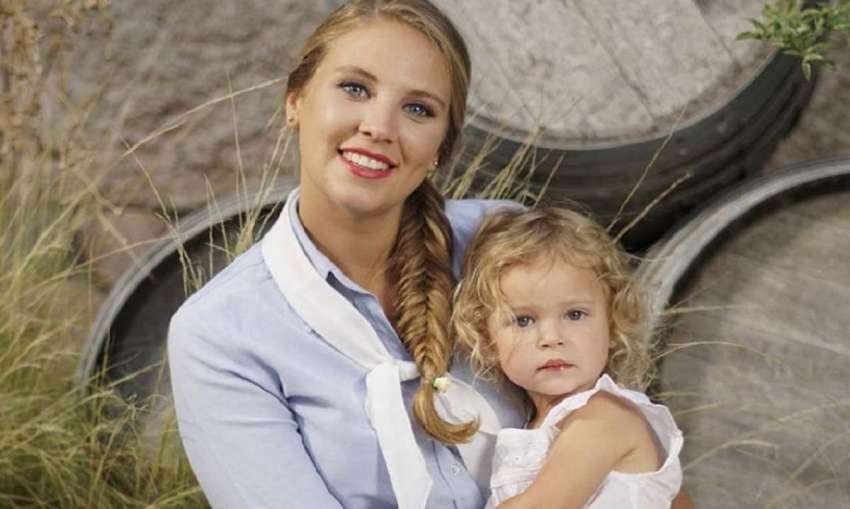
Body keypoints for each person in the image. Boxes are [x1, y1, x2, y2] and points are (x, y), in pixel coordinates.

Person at [168, 1, 693, 508]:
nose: (379, 127)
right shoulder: (221, 336)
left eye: (418, 109)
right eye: (355, 88)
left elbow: (639, 470)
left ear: (442, 145)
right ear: (295, 101)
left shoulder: (503, 248)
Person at [451, 206, 683, 508]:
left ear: (613, 324)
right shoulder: (535, 426)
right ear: (488, 341)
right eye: (524, 320)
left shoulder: (604, 418)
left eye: (575, 314)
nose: (551, 338)